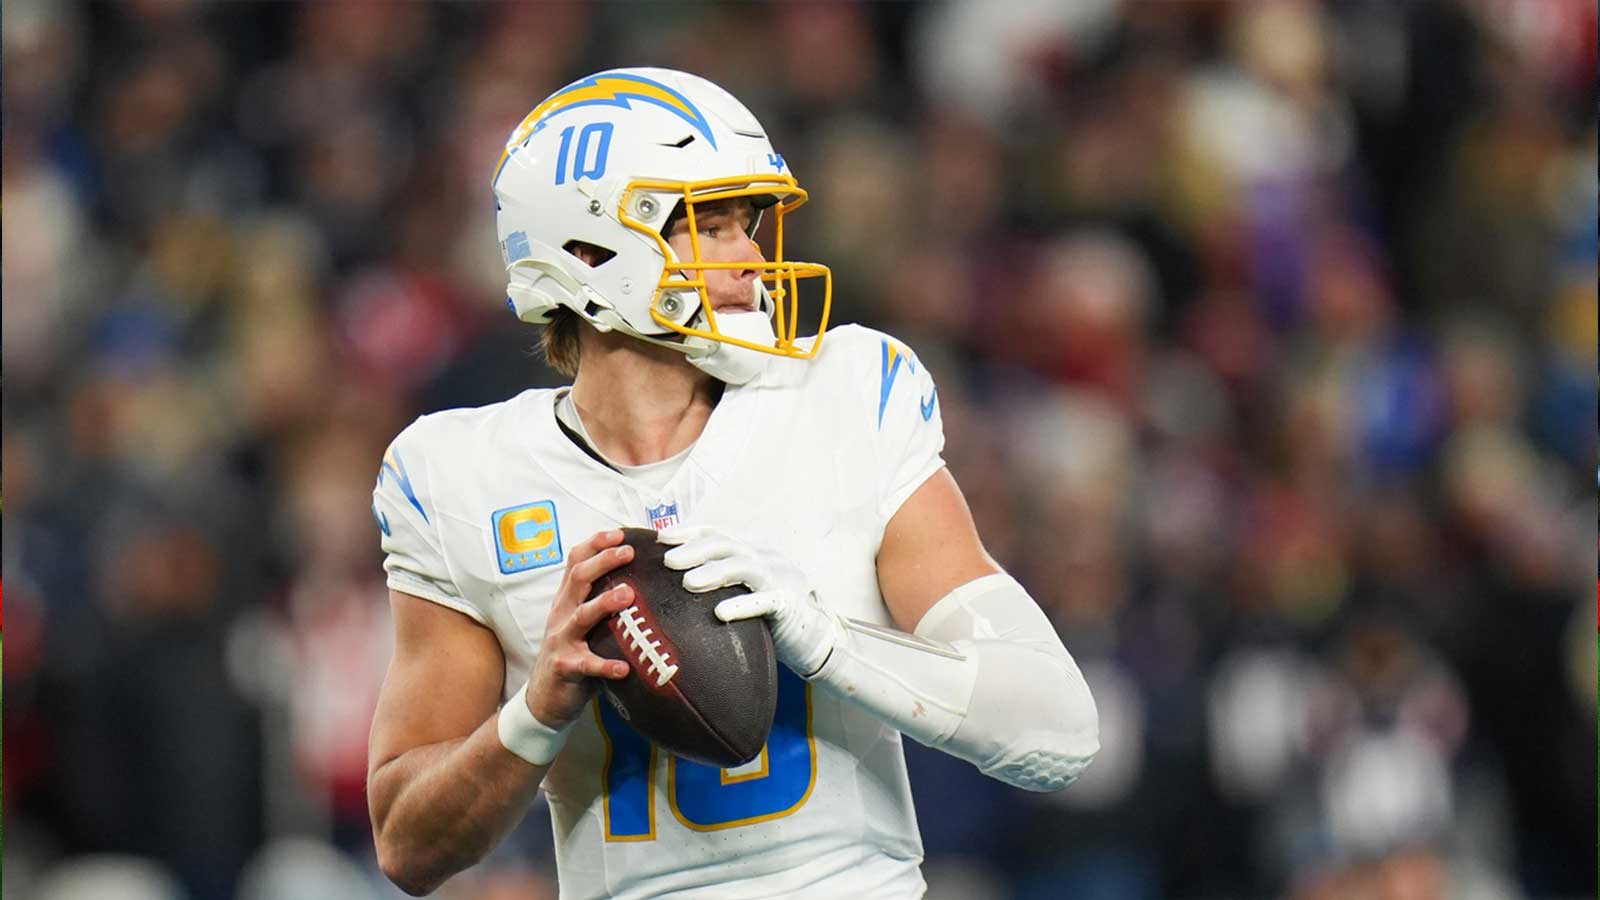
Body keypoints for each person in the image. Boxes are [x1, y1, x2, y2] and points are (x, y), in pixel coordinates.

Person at [367, 67, 1099, 899]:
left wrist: (825, 640)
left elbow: (1058, 731)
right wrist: (537, 709)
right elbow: (405, 843)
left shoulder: (843, 396)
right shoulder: (460, 473)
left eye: (747, 224)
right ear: (589, 252)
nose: (753, 257)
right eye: (712, 228)